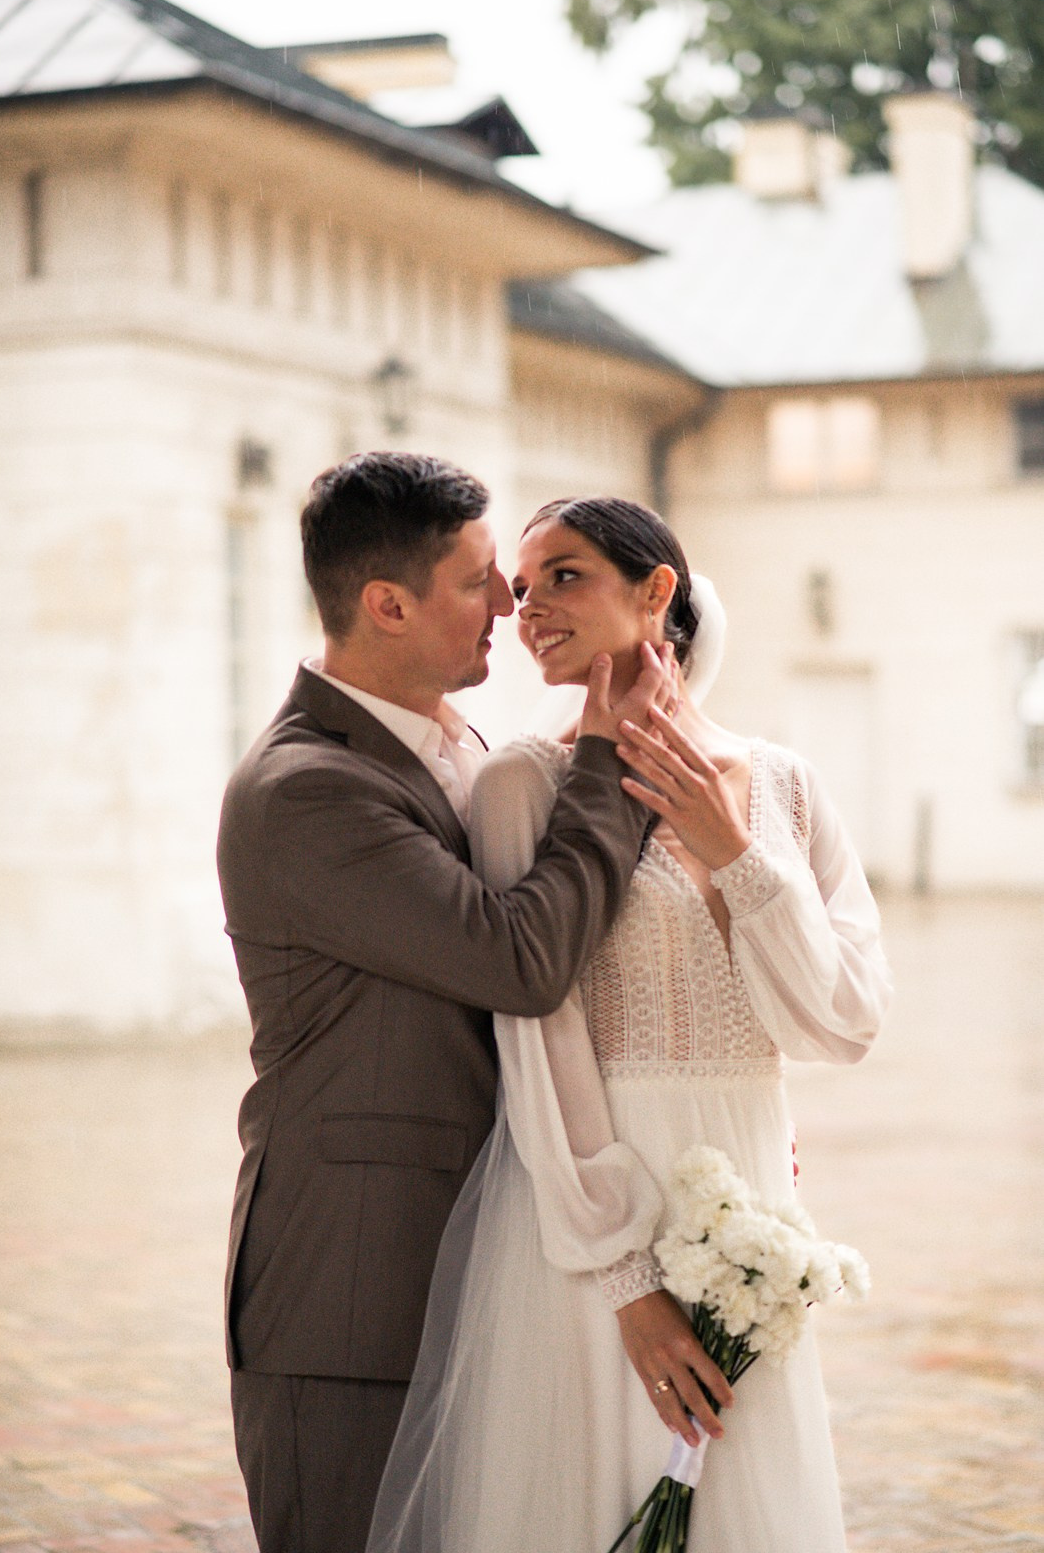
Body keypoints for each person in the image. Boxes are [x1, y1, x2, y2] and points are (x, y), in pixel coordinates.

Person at [365, 497, 893, 1553]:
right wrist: (624, 1278)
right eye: (520, 589)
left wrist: (736, 856)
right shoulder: (524, 782)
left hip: (748, 1192)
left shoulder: (785, 786)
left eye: (564, 576)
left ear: (655, 591)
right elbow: (536, 1036)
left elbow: (840, 1022)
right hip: (590, 1217)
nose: (528, 609)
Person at [215, 454, 707, 1553]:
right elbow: (522, 957)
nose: (510, 605)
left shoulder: (457, 752)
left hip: (489, 1272)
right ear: (387, 605)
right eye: (481, 579)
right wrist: (608, 753)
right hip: (351, 1292)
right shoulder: (307, 791)